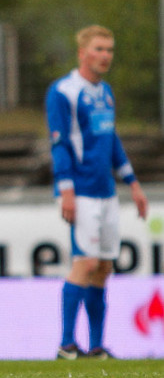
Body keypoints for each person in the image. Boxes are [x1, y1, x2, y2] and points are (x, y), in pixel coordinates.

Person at [46, 25, 148, 360]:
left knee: (103, 267)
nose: (106, 56)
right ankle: (66, 344)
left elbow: (111, 140)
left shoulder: (105, 92)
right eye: (99, 49)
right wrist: (66, 190)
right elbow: (60, 143)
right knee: (86, 262)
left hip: (106, 191)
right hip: (82, 190)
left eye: (109, 49)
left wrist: (133, 183)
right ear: (83, 53)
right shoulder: (63, 91)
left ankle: (96, 346)